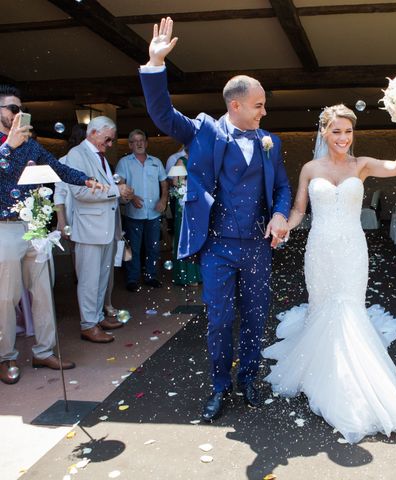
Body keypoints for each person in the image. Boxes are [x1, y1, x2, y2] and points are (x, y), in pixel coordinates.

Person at [140, 17, 291, 421]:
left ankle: (249, 381)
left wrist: (279, 213)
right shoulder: (203, 131)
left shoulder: (269, 143)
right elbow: (163, 114)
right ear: (236, 105)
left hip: (258, 246)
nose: (265, 111)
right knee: (220, 320)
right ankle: (221, 385)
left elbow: (282, 189)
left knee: (257, 316)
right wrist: (156, 65)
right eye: (259, 105)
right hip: (217, 246)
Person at [263, 104, 396, 444]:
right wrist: (283, 226)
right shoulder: (310, 168)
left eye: (348, 131)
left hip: (352, 250)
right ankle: (323, 374)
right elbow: (298, 210)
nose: (343, 138)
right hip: (320, 250)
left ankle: (352, 381)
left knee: (349, 308)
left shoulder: (361, 165)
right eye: (336, 131)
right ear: (324, 132)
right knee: (322, 306)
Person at [0, 85, 106, 384]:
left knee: (43, 291)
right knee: (5, 298)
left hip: (35, 226)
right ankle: (5, 357)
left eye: (21, 108)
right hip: (4, 227)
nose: (18, 114)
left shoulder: (32, 147)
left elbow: (58, 168)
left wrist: (85, 179)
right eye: (11, 109)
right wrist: (8, 145)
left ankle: (43, 350)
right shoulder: (5, 145)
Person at [67, 116, 130, 343]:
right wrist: (116, 191)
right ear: (93, 133)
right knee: (88, 279)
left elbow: (105, 187)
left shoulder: (100, 157)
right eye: (108, 139)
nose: (110, 144)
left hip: (105, 228)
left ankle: (99, 316)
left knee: (102, 277)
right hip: (89, 229)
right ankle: (88, 325)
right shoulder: (77, 155)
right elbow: (80, 192)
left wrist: (121, 192)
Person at [115, 129, 168, 292]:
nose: (139, 143)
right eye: (135, 141)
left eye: (141, 140)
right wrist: (132, 197)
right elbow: (120, 184)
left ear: (146, 142)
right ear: (130, 144)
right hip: (134, 213)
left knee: (153, 247)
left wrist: (163, 200)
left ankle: (151, 276)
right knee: (134, 248)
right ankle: (132, 279)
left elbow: (164, 183)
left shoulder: (156, 162)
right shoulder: (124, 163)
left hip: (154, 212)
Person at [170, 155, 201, 286]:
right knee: (186, 237)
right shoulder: (181, 161)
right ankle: (186, 276)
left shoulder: (202, 159)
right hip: (185, 203)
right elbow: (177, 183)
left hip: (198, 203)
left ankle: (198, 274)